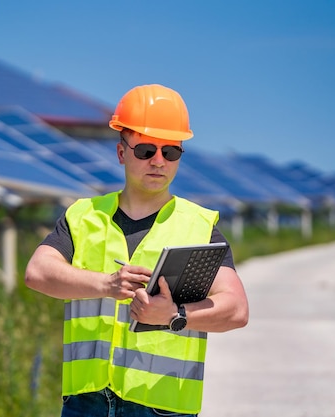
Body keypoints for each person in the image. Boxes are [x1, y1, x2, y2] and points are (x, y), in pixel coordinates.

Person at [25, 84, 249, 416]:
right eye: (146, 150)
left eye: (170, 151)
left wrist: (174, 317)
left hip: (161, 406)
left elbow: (236, 309)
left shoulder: (199, 227)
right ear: (121, 153)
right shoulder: (83, 216)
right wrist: (105, 285)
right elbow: (37, 273)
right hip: (85, 402)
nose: (159, 161)